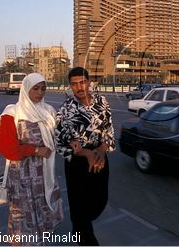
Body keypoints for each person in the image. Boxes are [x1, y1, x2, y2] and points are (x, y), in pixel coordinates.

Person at [0, 73, 63, 245]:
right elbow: (7, 148)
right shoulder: (12, 113)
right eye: (35, 88)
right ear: (26, 89)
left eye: (43, 89)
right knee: (23, 217)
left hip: (44, 173)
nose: (40, 93)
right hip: (22, 177)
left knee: (42, 210)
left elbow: (59, 137)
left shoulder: (48, 111)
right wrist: (35, 150)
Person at [56, 67, 116, 246]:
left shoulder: (102, 102)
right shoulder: (65, 109)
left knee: (99, 202)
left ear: (89, 82)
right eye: (74, 84)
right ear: (70, 86)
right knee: (80, 210)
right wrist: (85, 152)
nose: (79, 87)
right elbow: (60, 142)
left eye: (82, 82)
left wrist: (102, 149)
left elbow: (108, 131)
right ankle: (84, 235)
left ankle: (79, 228)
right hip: (77, 164)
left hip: (99, 159)